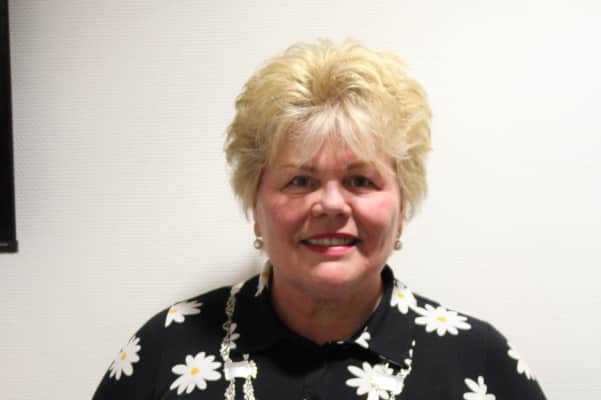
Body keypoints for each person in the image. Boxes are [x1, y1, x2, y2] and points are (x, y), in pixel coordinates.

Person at [93, 39, 547, 400]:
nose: (331, 205)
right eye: (300, 181)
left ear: (402, 208)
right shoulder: (166, 349)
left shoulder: (481, 365)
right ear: (255, 207)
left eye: (361, 180)